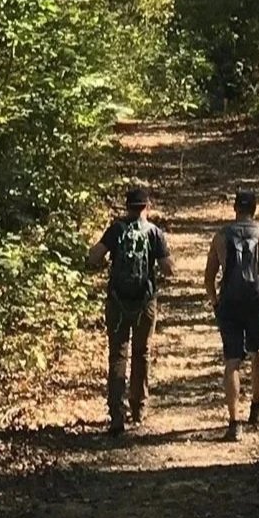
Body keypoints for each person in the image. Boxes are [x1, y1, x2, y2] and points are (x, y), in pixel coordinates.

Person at [84, 183, 173, 434]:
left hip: (117, 301)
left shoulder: (116, 229)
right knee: (142, 352)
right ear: (147, 207)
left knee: (118, 354)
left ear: (127, 207)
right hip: (145, 302)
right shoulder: (154, 232)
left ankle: (116, 414)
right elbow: (168, 268)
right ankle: (138, 407)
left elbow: (93, 256)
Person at [203, 187, 259, 440]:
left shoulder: (220, 237)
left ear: (235, 208)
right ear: (254, 209)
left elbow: (209, 277)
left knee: (232, 361)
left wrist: (216, 303)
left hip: (229, 304)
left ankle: (234, 422)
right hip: (256, 303)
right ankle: (256, 406)